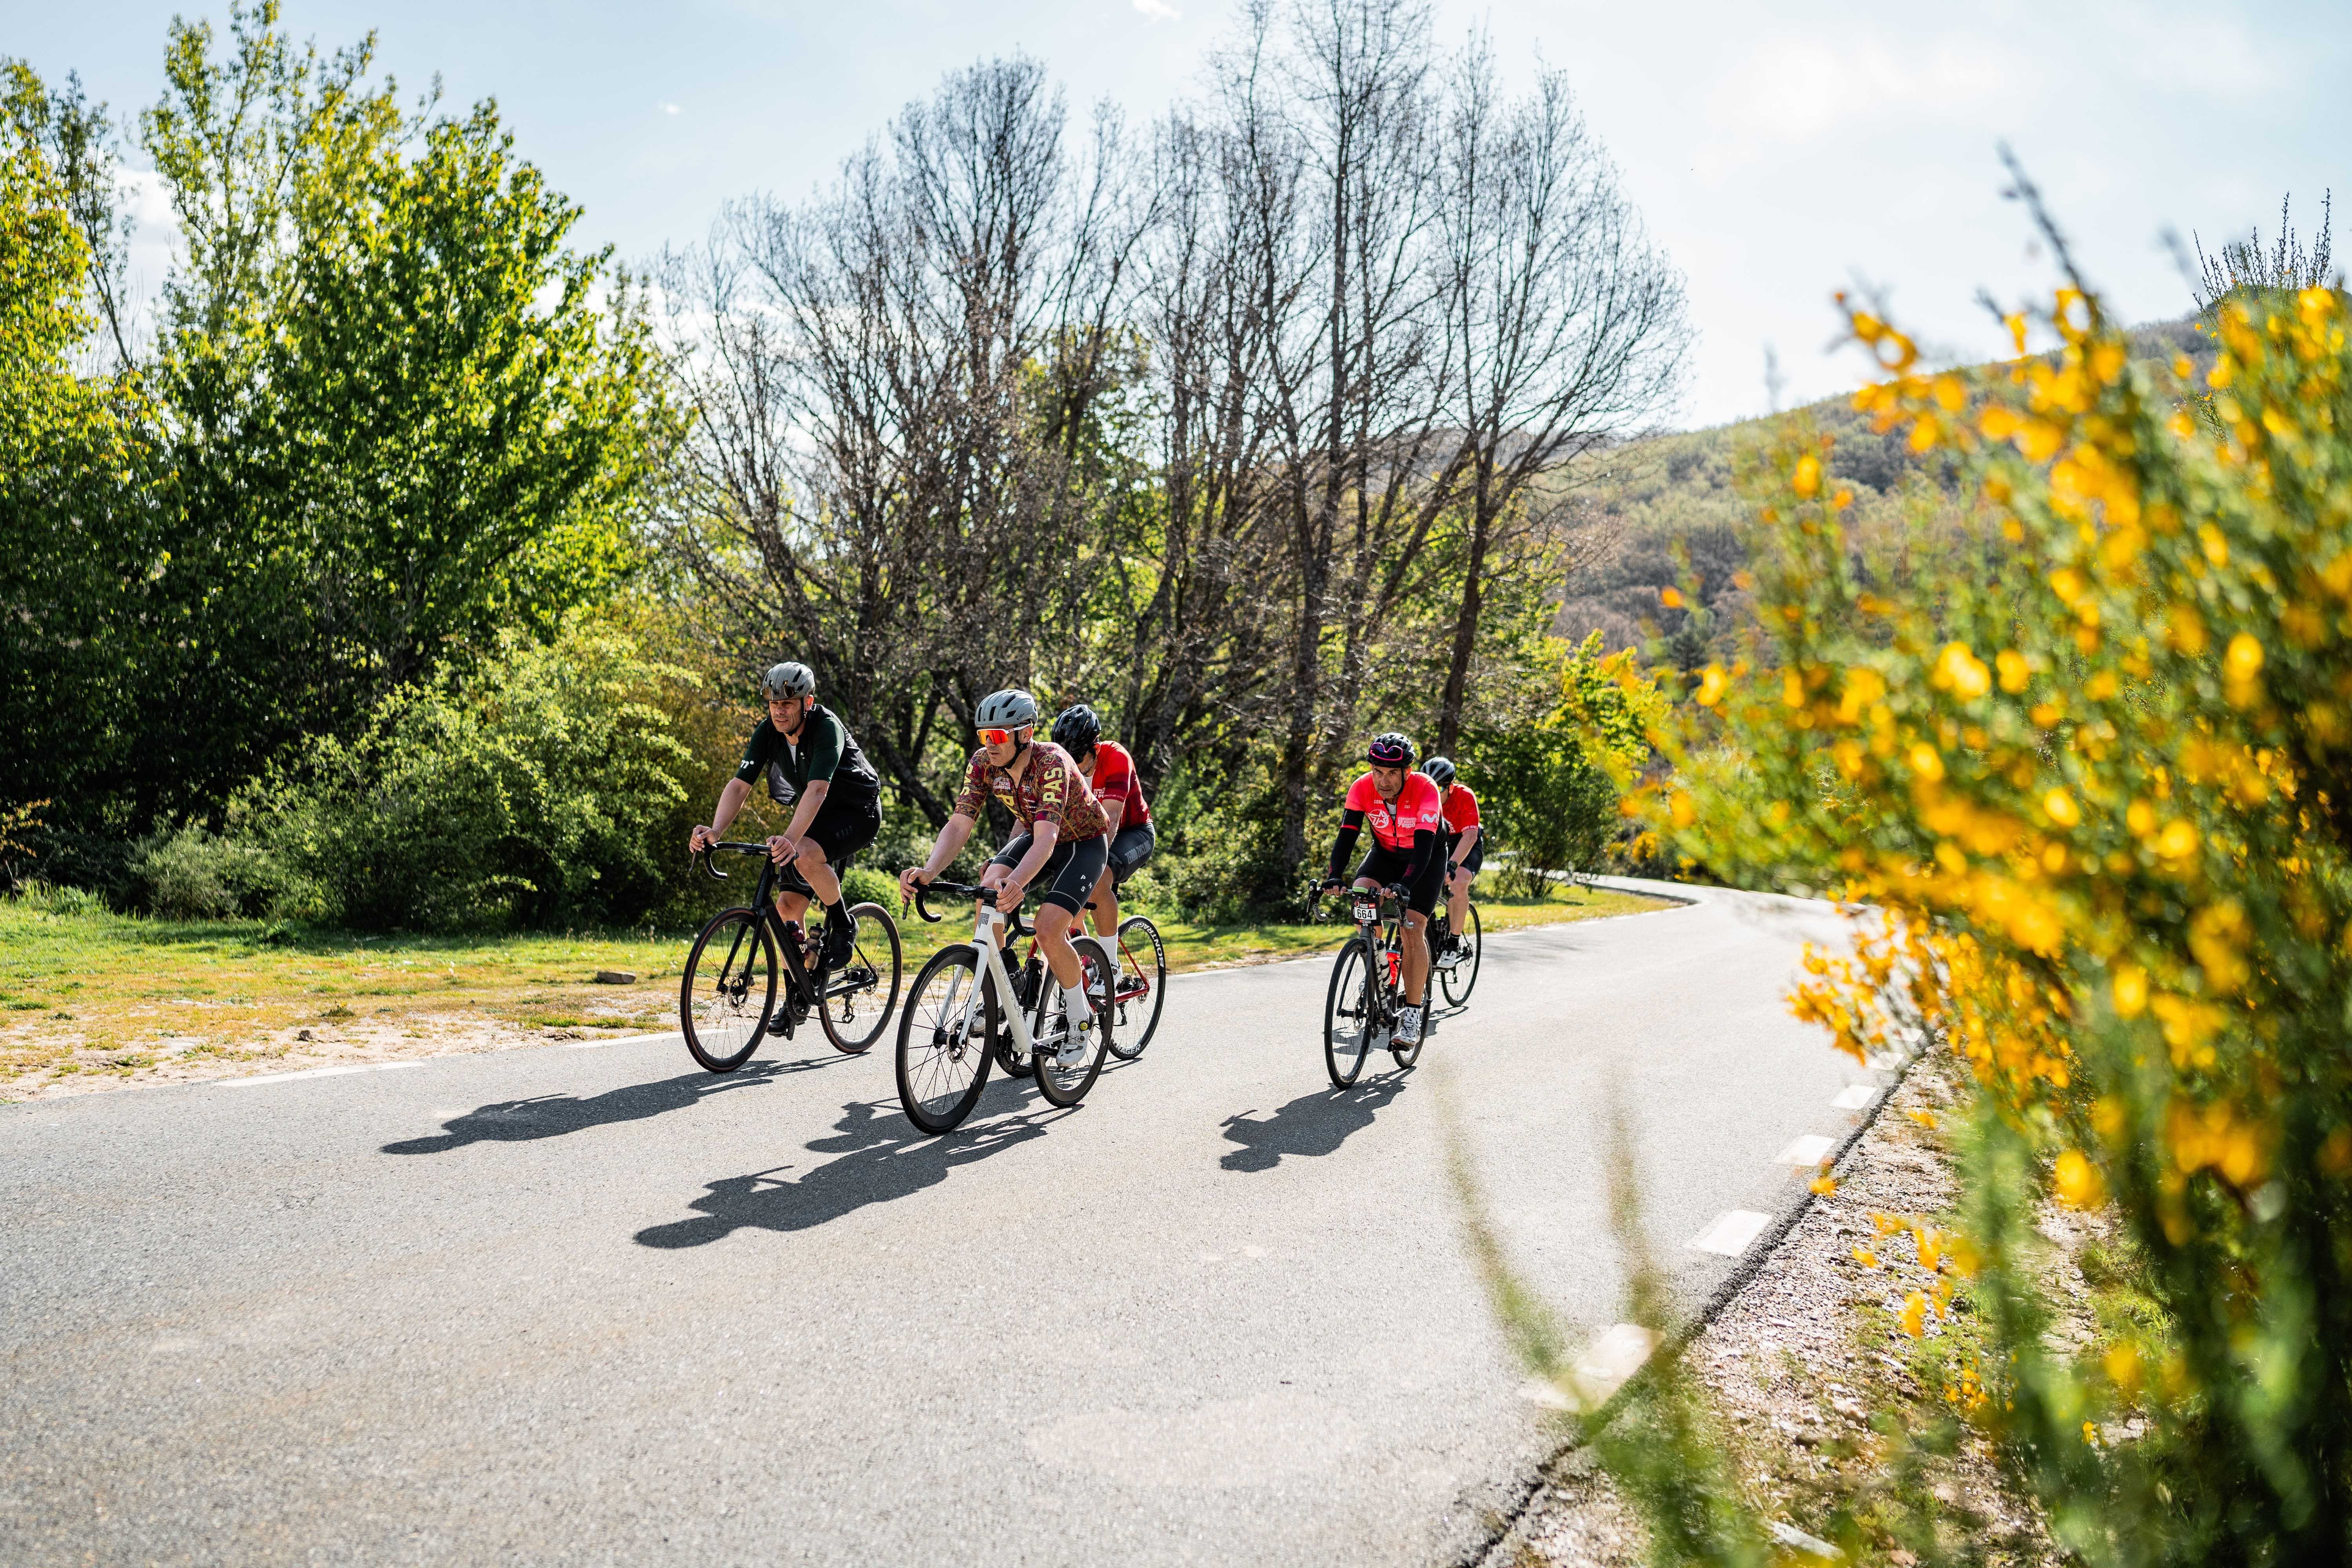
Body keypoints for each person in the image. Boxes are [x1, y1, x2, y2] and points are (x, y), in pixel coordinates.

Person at [899, 689, 1112, 1065]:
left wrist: (1019, 883)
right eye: (984, 735)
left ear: (1024, 734)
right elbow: (960, 822)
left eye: (998, 736)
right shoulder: (983, 764)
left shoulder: (1053, 762)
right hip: (1040, 837)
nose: (989, 744)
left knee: (1048, 929)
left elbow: (1047, 839)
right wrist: (929, 871)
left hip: (1083, 843)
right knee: (987, 891)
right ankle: (1008, 981)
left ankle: (1080, 1017)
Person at [689, 662, 883, 986]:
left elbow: (819, 788)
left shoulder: (826, 727)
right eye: (774, 704)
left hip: (858, 812)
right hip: (816, 815)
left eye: (788, 704)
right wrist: (715, 831)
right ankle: (798, 991)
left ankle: (844, 923)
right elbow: (740, 785)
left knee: (803, 852)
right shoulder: (768, 732)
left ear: (807, 703)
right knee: (786, 909)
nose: (779, 712)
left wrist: (790, 839)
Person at [1319, 732, 1444, 1045]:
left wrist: (1405, 885)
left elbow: (1424, 847)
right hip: (1385, 855)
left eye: (1391, 773)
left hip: (1425, 860)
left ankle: (1413, 1014)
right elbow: (1347, 836)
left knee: (1411, 929)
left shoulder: (1425, 789)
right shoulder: (1361, 788)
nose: (1383, 781)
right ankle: (1378, 971)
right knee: (1362, 892)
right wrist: (1335, 875)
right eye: (1378, 772)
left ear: (1407, 772)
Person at [1049, 703, 1154, 943]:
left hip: (1134, 832)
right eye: (1066, 757)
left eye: (1077, 757)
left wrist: (1091, 865)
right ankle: (1090, 963)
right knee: (1068, 910)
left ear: (1096, 749)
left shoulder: (1116, 757)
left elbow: (1112, 818)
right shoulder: (1056, 765)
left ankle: (1111, 964)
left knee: (1098, 879)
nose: (1071, 764)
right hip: (1090, 834)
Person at [1421, 755, 1480, 964]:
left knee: (1458, 881)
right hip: (1439, 844)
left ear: (1451, 787)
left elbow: (1471, 836)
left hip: (1465, 844)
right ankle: (1432, 929)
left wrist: (1453, 865)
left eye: (1439, 790)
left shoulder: (1465, 796)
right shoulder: (1421, 797)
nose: (1434, 795)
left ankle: (1454, 943)